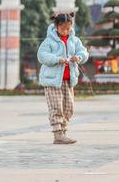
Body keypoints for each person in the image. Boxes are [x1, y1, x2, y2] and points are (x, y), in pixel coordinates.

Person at [38, 12, 89, 145]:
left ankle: (63, 131)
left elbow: (83, 52)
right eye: (62, 29)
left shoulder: (74, 40)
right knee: (56, 106)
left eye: (68, 28)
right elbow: (42, 55)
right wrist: (57, 59)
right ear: (56, 26)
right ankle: (58, 134)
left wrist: (79, 57)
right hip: (53, 81)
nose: (65, 31)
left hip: (68, 80)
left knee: (69, 107)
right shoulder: (49, 41)